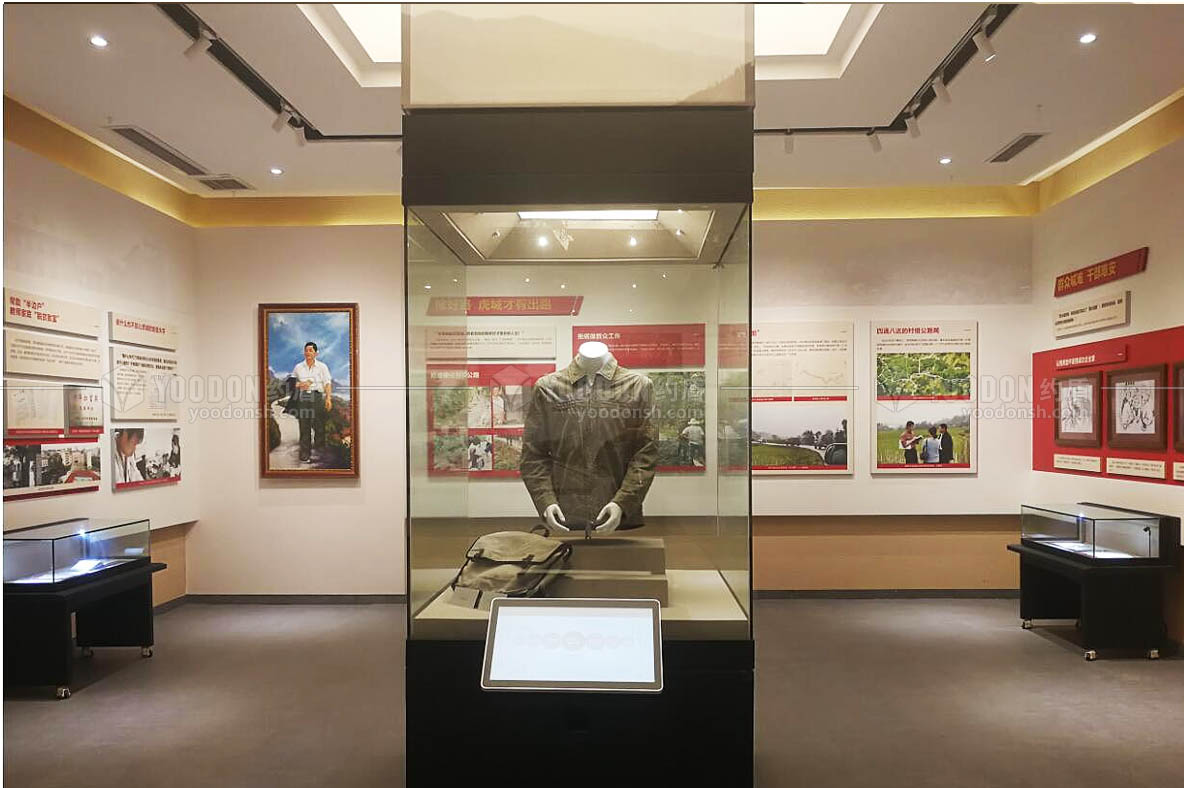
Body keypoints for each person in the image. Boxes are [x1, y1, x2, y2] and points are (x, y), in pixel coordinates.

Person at [291, 341, 332, 463]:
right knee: (304, 425)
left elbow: (327, 383)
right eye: (306, 350)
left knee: (319, 425)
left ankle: (320, 450)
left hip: (317, 396)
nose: (308, 352)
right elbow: (291, 384)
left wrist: (328, 398)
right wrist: (301, 384)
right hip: (303, 398)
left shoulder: (322, 367)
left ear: (316, 353)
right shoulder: (298, 367)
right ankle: (305, 452)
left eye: (310, 350)